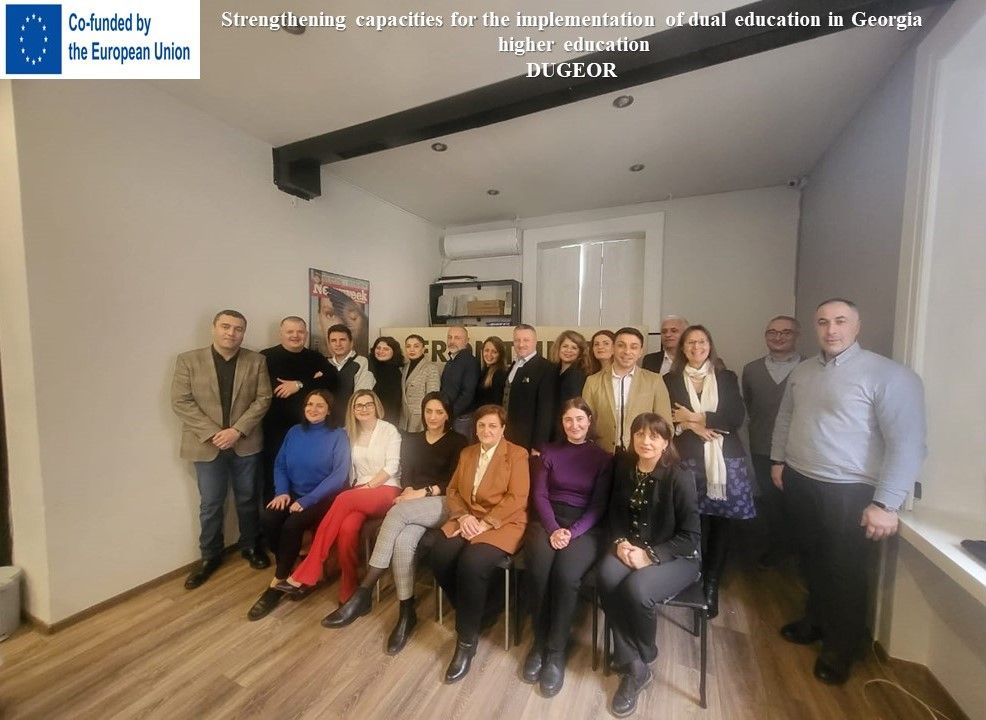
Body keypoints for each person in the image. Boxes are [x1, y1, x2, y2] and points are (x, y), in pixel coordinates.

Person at [771, 298, 926, 685]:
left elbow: (908, 443)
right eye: (823, 322)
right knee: (811, 560)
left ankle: (842, 649)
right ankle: (815, 621)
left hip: (850, 490)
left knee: (844, 570)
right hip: (801, 479)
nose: (831, 330)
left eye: (840, 321)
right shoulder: (803, 371)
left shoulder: (888, 375)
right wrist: (778, 460)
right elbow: (786, 417)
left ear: (857, 326)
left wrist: (886, 503)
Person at [320, 393, 469, 654]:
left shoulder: (459, 441)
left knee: (397, 514)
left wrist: (422, 493)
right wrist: (409, 491)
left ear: (447, 414)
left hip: (444, 501)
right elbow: (405, 474)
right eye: (428, 411)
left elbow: (456, 482)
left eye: (439, 412)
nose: (433, 417)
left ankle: (364, 590)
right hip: (412, 502)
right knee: (403, 541)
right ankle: (406, 612)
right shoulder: (413, 440)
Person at [598, 413, 700, 718]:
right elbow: (614, 515)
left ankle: (642, 654)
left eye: (654, 436)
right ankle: (635, 664)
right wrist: (620, 543)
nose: (646, 441)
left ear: (666, 442)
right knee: (606, 576)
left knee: (637, 588)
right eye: (639, 434)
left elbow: (691, 537)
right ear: (631, 438)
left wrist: (649, 556)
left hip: (676, 556)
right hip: (630, 547)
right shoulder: (625, 468)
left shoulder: (679, 476)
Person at [171, 310, 273, 589]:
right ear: (214, 328)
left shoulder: (256, 361)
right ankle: (210, 556)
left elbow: (263, 398)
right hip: (206, 444)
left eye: (238, 329)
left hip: (245, 442)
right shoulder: (188, 360)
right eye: (226, 327)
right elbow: (181, 401)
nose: (231, 333)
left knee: (248, 498)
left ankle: (250, 546)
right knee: (211, 504)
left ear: (243, 332)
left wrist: (236, 431)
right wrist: (215, 433)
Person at [429, 405, 530, 683]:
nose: (487, 431)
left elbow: (518, 497)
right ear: (475, 428)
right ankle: (477, 609)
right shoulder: (467, 453)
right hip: (467, 518)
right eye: (482, 425)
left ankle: (466, 642)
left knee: (472, 563)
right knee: (439, 555)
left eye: (493, 426)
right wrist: (463, 517)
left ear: (503, 429)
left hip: (504, 522)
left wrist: (486, 523)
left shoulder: (517, 454)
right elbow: (452, 490)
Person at [276, 390, 402, 613]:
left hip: (386, 489)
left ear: (377, 406)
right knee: (347, 528)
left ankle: (310, 567)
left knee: (343, 498)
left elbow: (392, 466)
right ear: (352, 410)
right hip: (358, 494)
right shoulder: (348, 433)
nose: (363, 409)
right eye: (358, 405)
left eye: (368, 404)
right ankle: (349, 586)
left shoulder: (388, 430)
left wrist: (367, 487)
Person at [522, 398, 612, 697]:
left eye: (580, 419)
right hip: (547, 521)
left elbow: (598, 506)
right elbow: (539, 495)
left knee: (565, 576)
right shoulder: (549, 451)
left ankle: (556, 651)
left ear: (589, 421)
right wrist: (553, 529)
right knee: (538, 571)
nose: (574, 425)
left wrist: (570, 533)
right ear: (562, 423)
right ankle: (539, 642)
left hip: (584, 527)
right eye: (568, 420)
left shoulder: (603, 458)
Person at [666, 325, 753, 618]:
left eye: (701, 342)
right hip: (688, 459)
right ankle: (692, 578)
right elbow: (669, 418)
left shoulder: (726, 378)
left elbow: (735, 417)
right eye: (690, 343)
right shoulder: (670, 380)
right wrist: (695, 427)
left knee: (720, 524)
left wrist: (692, 418)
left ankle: (711, 585)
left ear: (710, 345)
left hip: (725, 462)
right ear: (682, 348)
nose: (696, 347)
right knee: (693, 522)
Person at [247, 390, 351, 620]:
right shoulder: (294, 432)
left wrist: (307, 500)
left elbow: (339, 476)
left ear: (329, 410)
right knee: (268, 517)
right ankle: (288, 563)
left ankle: (277, 583)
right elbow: (280, 465)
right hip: (293, 493)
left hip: (323, 497)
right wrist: (282, 492)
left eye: (320, 405)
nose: (313, 409)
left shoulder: (338, 436)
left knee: (292, 525)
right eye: (309, 404)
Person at [741, 315, 801, 568]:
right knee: (769, 502)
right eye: (772, 332)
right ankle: (776, 549)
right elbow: (750, 405)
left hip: (799, 451)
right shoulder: (752, 369)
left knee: (797, 503)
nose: (778, 337)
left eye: (786, 332)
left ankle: (798, 552)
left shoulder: (809, 368)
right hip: (762, 446)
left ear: (797, 336)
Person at [260, 316, 338, 503]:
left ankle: (304, 512)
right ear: (281, 333)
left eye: (300, 332)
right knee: (274, 477)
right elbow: (267, 388)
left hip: (308, 430)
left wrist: (299, 384)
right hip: (275, 429)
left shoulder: (315, 357)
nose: (295, 335)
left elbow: (333, 380)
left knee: (308, 477)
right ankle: (275, 517)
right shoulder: (265, 357)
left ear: (306, 334)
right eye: (290, 331)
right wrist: (314, 380)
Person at [581, 327, 672, 455]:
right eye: (621, 345)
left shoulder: (654, 381)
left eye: (634, 347)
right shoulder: (593, 381)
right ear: (613, 348)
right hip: (602, 454)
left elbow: (665, 424)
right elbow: (585, 422)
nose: (627, 351)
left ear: (640, 352)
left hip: (641, 454)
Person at [503, 324, 556, 453]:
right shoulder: (514, 365)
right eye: (517, 340)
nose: (521, 344)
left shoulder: (546, 368)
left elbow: (546, 411)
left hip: (528, 440)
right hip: (507, 436)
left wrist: (538, 445)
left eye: (526, 340)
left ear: (535, 342)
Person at [326, 323, 375, 427]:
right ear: (329, 344)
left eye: (342, 340)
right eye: (333, 340)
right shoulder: (324, 363)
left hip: (352, 423)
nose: (338, 344)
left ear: (351, 342)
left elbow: (362, 396)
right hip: (327, 423)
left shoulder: (362, 362)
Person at [440, 325, 480, 437]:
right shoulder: (452, 360)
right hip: (451, 415)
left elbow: (468, 393)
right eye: (450, 337)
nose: (452, 341)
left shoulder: (470, 362)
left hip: (462, 418)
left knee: (462, 447)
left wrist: (450, 414)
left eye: (457, 338)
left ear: (467, 341)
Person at [549, 330, 590, 441]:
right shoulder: (554, 370)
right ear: (558, 348)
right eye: (565, 346)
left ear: (580, 352)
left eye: (574, 348)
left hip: (567, 429)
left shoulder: (578, 374)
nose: (568, 350)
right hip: (553, 427)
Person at [399, 334, 441, 433]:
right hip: (404, 418)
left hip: (420, 419)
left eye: (416, 346)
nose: (412, 349)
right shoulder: (405, 367)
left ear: (423, 349)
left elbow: (432, 397)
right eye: (408, 346)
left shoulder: (431, 368)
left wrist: (428, 418)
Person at [316, 287, 370, 357]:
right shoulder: (319, 361)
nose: (339, 324)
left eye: (352, 316)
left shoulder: (363, 361)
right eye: (330, 315)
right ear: (318, 320)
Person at [369, 336, 404, 424]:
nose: (381, 351)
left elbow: (395, 402)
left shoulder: (398, 372)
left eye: (386, 349)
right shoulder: (367, 367)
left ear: (394, 352)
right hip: (369, 416)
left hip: (390, 418)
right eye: (378, 348)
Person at [473, 336, 508, 410]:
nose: (489, 354)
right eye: (486, 350)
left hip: (489, 415)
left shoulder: (499, 373)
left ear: (500, 355)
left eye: (494, 352)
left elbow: (496, 404)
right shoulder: (485, 371)